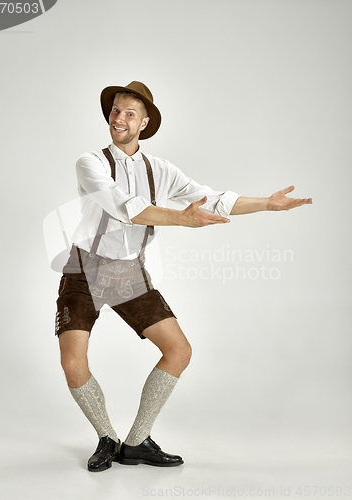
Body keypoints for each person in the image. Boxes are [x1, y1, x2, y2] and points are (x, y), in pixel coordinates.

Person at [55, 81, 312, 472]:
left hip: (128, 272)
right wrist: (181, 219)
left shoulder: (160, 170)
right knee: (73, 362)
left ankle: (136, 442)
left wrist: (266, 204)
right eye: (115, 111)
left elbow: (211, 198)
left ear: (143, 123)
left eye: (129, 113)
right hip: (83, 270)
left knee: (179, 351)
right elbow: (126, 207)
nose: (119, 119)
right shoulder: (90, 162)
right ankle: (106, 436)